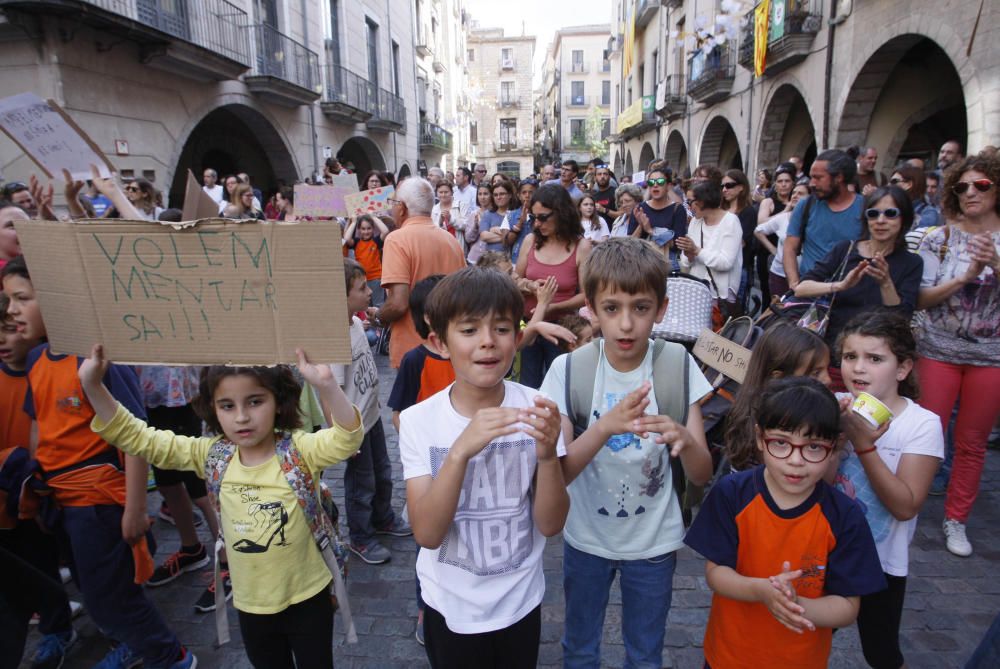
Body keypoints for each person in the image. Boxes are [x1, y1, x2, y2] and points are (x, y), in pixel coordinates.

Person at [80, 343, 361, 669]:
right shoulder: (211, 455)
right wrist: (93, 386)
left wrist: (326, 384)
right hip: (250, 604)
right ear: (212, 409)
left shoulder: (300, 450)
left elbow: (347, 439)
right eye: (227, 405)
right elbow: (139, 438)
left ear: (278, 401)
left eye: (255, 402)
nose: (241, 416)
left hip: (308, 598)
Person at [2, 256, 195, 669]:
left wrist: (135, 508)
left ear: (56, 300)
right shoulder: (37, 359)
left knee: (114, 592)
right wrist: (36, 486)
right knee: (93, 586)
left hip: (100, 504)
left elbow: (136, 436)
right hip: (60, 501)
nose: (11, 309)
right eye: (8, 299)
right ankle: (126, 640)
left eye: (22, 298)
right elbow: (40, 427)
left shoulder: (98, 361)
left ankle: (170, 656)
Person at [537, 237, 713, 668]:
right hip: (586, 539)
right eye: (612, 308)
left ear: (662, 309)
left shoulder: (676, 364)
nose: (627, 325)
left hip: (654, 542)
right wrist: (605, 427)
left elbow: (702, 473)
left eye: (641, 307)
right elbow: (559, 472)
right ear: (591, 310)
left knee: (646, 653)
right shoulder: (570, 369)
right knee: (579, 648)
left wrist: (685, 441)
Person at [399, 266, 568, 668]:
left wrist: (547, 455)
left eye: (503, 329)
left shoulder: (538, 409)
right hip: (449, 603)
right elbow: (427, 533)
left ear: (518, 336)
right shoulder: (419, 421)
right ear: (440, 342)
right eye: (470, 330)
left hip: (519, 600)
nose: (488, 343)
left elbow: (551, 524)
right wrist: (459, 452)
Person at [685, 376, 886, 669]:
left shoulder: (844, 515)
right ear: (759, 437)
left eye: (814, 447)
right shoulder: (733, 494)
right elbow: (717, 575)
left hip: (801, 660)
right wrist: (762, 591)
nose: (796, 460)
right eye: (781, 443)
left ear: (833, 446)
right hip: (728, 656)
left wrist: (795, 604)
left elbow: (846, 608)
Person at [831, 312, 943, 669]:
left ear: (902, 368)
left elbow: (905, 506)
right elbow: (813, 483)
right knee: (803, 637)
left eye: (874, 359)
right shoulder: (832, 405)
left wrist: (864, 446)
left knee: (881, 652)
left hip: (880, 562)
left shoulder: (921, 424)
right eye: (850, 357)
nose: (859, 369)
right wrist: (837, 437)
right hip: (823, 551)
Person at [915, 153, 1000, 557]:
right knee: (927, 433)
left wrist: (995, 266)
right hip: (938, 350)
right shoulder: (938, 238)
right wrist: (966, 276)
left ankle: (956, 518)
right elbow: (922, 298)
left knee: (972, 442)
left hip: (991, 356)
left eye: (981, 185)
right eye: (963, 186)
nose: (971, 192)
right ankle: (908, 505)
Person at [0, 293, 82, 669]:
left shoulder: (42, 369)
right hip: (7, 502)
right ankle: (55, 627)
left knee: (58, 558)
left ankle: (68, 622)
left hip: (49, 492)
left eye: (10, 329)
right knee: (32, 567)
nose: (3, 338)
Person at [794, 186, 923, 383]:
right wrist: (840, 285)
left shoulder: (911, 262)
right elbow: (801, 288)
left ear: (903, 219)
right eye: (873, 214)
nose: (880, 221)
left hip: (878, 365)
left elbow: (902, 319)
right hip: (834, 357)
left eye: (890, 214)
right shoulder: (845, 250)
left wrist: (886, 283)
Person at [336, 259, 411, 566]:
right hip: (354, 428)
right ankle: (361, 536)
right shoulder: (333, 338)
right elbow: (332, 394)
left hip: (371, 416)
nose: (370, 292)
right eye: (362, 288)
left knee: (382, 471)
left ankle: (383, 517)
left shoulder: (354, 323)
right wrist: (342, 435)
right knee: (361, 482)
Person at [137, 363, 226, 614]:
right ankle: (191, 548)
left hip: (182, 394)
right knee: (167, 482)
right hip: (149, 394)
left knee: (199, 487)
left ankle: (229, 563)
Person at [373, 178, 465, 368]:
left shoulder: (396, 240)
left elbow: (398, 303)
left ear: (403, 208)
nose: (391, 209)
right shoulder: (451, 241)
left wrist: (378, 317)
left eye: (393, 203)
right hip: (448, 346)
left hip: (413, 350)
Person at [724, 321, 831, 472]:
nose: (828, 380)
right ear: (779, 379)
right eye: (815, 373)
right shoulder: (771, 424)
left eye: (827, 369)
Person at [514, 184, 592, 388]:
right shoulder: (530, 241)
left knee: (559, 387)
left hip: (563, 330)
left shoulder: (581, 246)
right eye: (534, 218)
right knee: (527, 386)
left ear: (561, 213)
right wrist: (530, 286)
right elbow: (513, 279)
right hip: (528, 327)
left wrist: (552, 306)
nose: (537, 224)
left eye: (543, 217)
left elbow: (587, 295)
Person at [784, 149, 865, 287]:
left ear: (838, 177)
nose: (812, 183)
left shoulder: (865, 207)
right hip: (811, 291)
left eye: (818, 178)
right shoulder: (806, 205)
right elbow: (790, 247)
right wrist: (794, 283)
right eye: (811, 177)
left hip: (853, 294)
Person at [677, 179, 744, 328]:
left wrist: (696, 250)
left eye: (690, 202)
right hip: (697, 292)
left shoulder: (731, 222)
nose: (689, 207)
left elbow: (725, 263)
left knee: (714, 342)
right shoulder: (696, 222)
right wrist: (688, 254)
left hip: (720, 296)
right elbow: (686, 262)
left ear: (703, 201)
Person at [755, 179, 810, 297]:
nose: (795, 196)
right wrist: (773, 250)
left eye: (800, 194)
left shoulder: (816, 220)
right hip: (780, 274)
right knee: (780, 311)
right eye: (794, 193)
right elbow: (758, 230)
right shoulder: (783, 218)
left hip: (806, 276)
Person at [721, 169, 759, 309]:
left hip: (738, 267)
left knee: (734, 310)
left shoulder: (748, 212)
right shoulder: (721, 210)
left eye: (729, 185)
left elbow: (741, 242)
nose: (725, 189)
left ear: (741, 187)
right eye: (723, 186)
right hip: (718, 266)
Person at [344, 214, 389, 308]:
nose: (366, 231)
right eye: (363, 229)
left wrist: (373, 217)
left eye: (369, 228)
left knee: (378, 305)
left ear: (373, 229)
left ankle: (378, 322)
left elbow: (385, 231)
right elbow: (347, 238)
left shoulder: (376, 241)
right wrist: (354, 222)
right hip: (362, 280)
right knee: (364, 306)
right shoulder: (356, 242)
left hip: (376, 279)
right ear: (359, 230)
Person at [890, 163, 940, 230]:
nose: (889, 185)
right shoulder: (888, 207)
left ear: (908, 184)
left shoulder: (928, 212)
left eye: (894, 181)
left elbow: (918, 238)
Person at [501, 178, 538, 264]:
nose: (527, 195)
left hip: (537, 261)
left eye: (531, 192)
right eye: (524, 192)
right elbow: (506, 242)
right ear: (519, 195)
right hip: (516, 262)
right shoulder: (510, 216)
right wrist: (520, 223)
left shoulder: (543, 214)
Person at [477, 179, 515, 254]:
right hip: (492, 259)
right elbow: (484, 236)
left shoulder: (515, 214)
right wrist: (508, 236)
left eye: (502, 194)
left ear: (510, 195)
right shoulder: (488, 214)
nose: (498, 197)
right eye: (495, 195)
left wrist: (494, 230)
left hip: (511, 259)